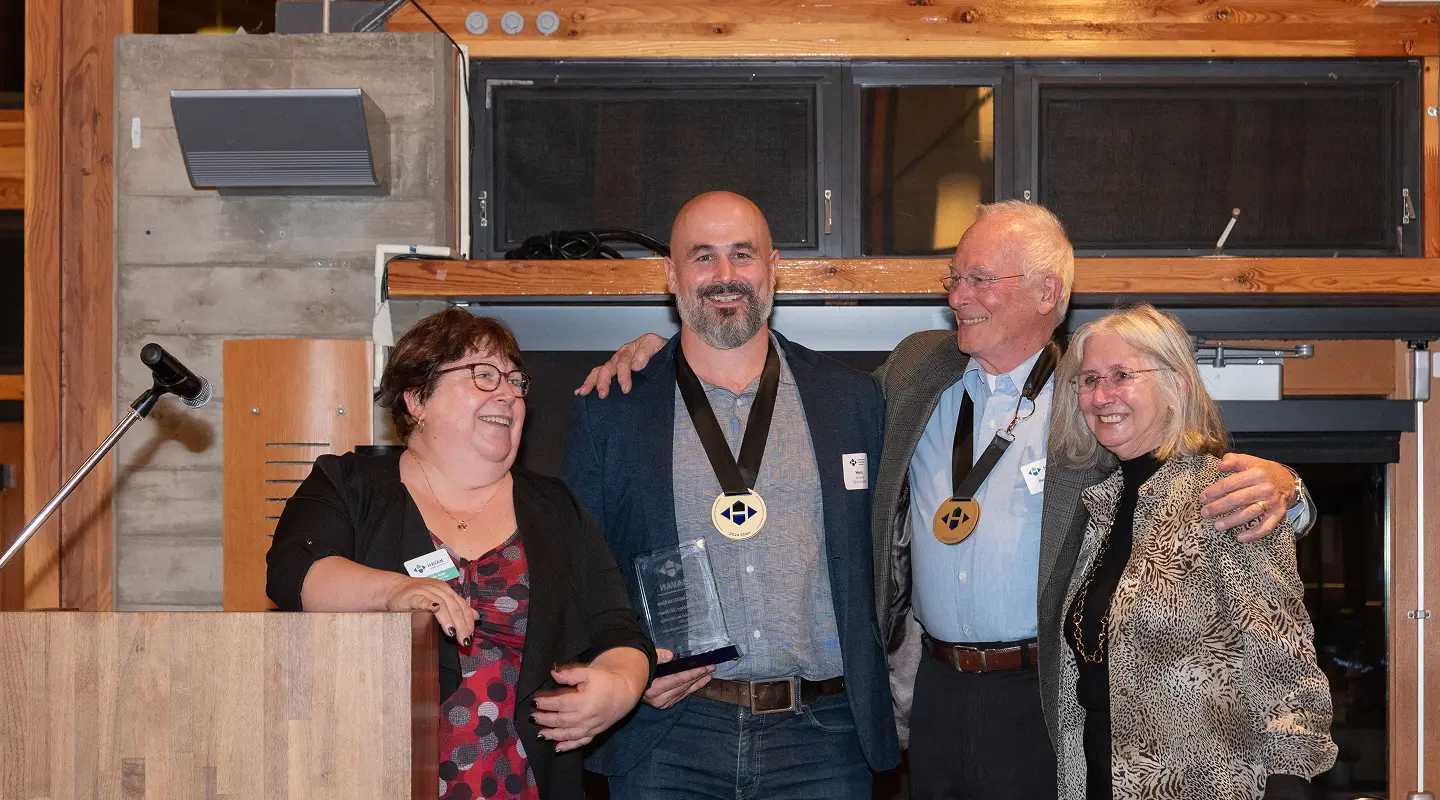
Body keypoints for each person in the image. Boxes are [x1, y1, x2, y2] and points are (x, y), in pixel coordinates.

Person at [579, 200, 1315, 799]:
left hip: (1045, 697)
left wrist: (1288, 491)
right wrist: (652, 353)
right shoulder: (911, 376)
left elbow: (1179, 462)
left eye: (981, 281)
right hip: (932, 695)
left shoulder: (1090, 391)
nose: (956, 298)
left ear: (1047, 294)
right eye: (954, 279)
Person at [563, 191, 899, 799]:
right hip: (668, 736)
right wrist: (628, 659)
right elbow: (579, 569)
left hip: (822, 738)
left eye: (742, 255)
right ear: (671, 274)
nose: (724, 277)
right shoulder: (613, 409)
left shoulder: (853, 402)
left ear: (772, 268)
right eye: (703, 257)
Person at [266, 309, 654, 800]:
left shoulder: (555, 507)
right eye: (483, 375)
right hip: (370, 774)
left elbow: (617, 628)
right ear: (416, 398)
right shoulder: (350, 485)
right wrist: (395, 591)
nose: (509, 393)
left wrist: (620, 686)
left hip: (525, 782)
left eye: (515, 380)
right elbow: (292, 571)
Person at [1048, 304, 1336, 799]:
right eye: (1089, 379)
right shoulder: (1101, 506)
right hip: (1094, 777)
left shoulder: (1228, 495)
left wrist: (1292, 783)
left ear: (1176, 386)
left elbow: (1286, 667)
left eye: (1122, 375)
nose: (1101, 395)